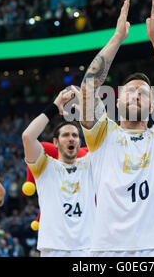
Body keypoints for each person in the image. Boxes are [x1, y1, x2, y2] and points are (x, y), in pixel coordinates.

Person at [78, 0, 154, 256]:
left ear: (153, 104)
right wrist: (118, 37)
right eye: (129, 92)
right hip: (109, 250)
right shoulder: (102, 134)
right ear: (117, 103)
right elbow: (88, 88)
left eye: (143, 92)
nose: (136, 95)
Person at [22, 88, 95, 257]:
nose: (71, 139)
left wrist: (87, 109)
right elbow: (27, 137)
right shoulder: (44, 166)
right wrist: (54, 106)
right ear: (55, 142)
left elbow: (104, 136)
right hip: (53, 248)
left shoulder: (91, 162)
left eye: (75, 136)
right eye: (66, 135)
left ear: (79, 142)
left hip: (88, 247)